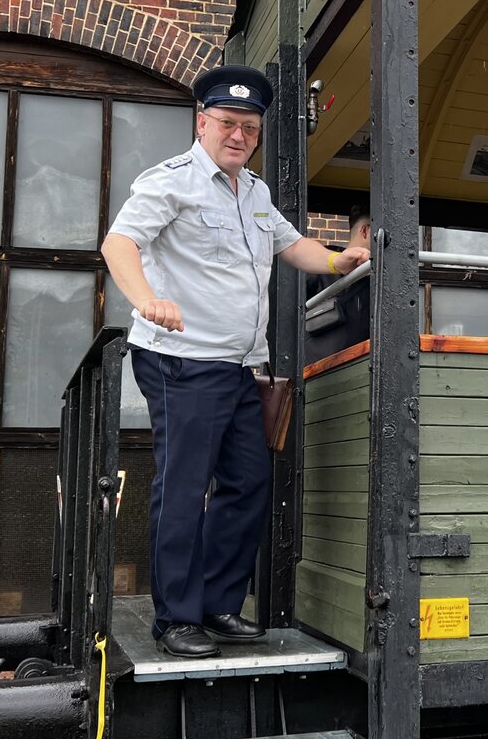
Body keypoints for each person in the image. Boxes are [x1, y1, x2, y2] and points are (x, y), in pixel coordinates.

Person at [101, 64, 371, 659]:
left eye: (249, 127)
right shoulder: (171, 181)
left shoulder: (255, 191)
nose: (239, 135)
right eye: (227, 122)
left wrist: (338, 261)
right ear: (202, 123)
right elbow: (118, 243)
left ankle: (217, 606)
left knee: (248, 482)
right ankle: (176, 618)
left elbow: (291, 244)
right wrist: (146, 301)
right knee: (183, 486)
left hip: (240, 366)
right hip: (181, 360)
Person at [304, 204, 372, 365]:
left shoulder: (384, 280)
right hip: (317, 373)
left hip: (364, 371)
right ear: (365, 231)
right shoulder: (317, 270)